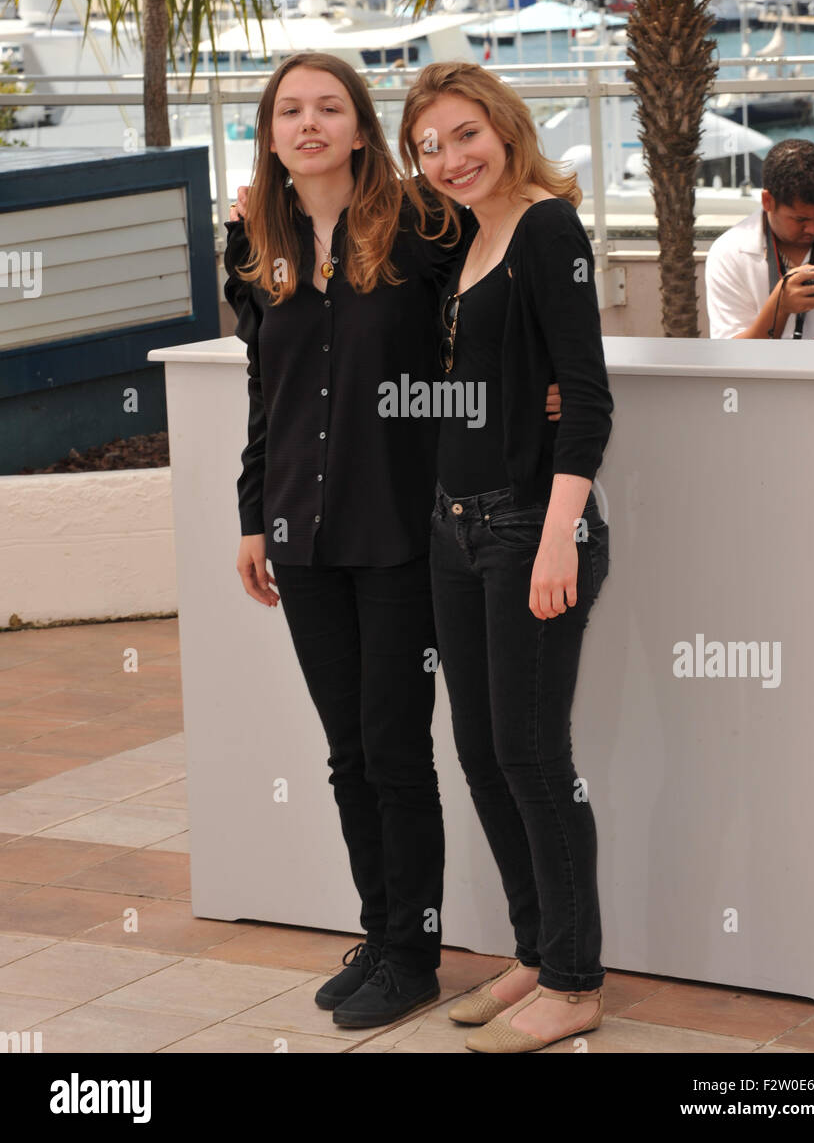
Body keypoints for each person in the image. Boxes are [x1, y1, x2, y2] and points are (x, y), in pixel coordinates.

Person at [223, 51, 562, 1031]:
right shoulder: (255, 245)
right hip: (299, 530)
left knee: (394, 749)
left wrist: (534, 395)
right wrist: (252, 512)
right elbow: (265, 391)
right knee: (344, 753)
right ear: (272, 133)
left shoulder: (422, 227)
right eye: (290, 109)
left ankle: (414, 954)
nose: (310, 122)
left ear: (363, 130)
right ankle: (379, 933)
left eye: (330, 106)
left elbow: (501, 293)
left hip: (403, 530)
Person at [399, 61, 614, 1053]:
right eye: (429, 145)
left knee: (533, 757)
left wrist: (559, 529)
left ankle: (573, 982)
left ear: (504, 124)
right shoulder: (465, 235)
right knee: (481, 752)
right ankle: (535, 949)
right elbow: (471, 389)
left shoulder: (545, 227)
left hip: (531, 526)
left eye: (463, 135)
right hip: (454, 528)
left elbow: (589, 396)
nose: (449, 158)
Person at [705, 139, 814, 338]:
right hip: (772, 370)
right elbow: (730, 358)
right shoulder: (730, 254)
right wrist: (779, 307)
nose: (813, 228)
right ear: (767, 201)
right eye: (800, 219)